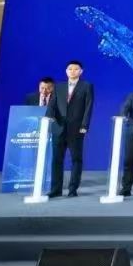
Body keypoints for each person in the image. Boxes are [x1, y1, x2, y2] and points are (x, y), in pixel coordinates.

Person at [46, 61, 94, 197]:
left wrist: (84, 125)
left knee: (76, 159)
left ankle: (73, 189)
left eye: (76, 69)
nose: (73, 71)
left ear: (81, 71)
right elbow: (52, 104)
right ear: (66, 71)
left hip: (76, 129)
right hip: (58, 127)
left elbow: (88, 106)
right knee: (57, 159)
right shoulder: (58, 86)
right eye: (70, 69)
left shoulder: (87, 86)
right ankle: (56, 190)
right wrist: (48, 117)